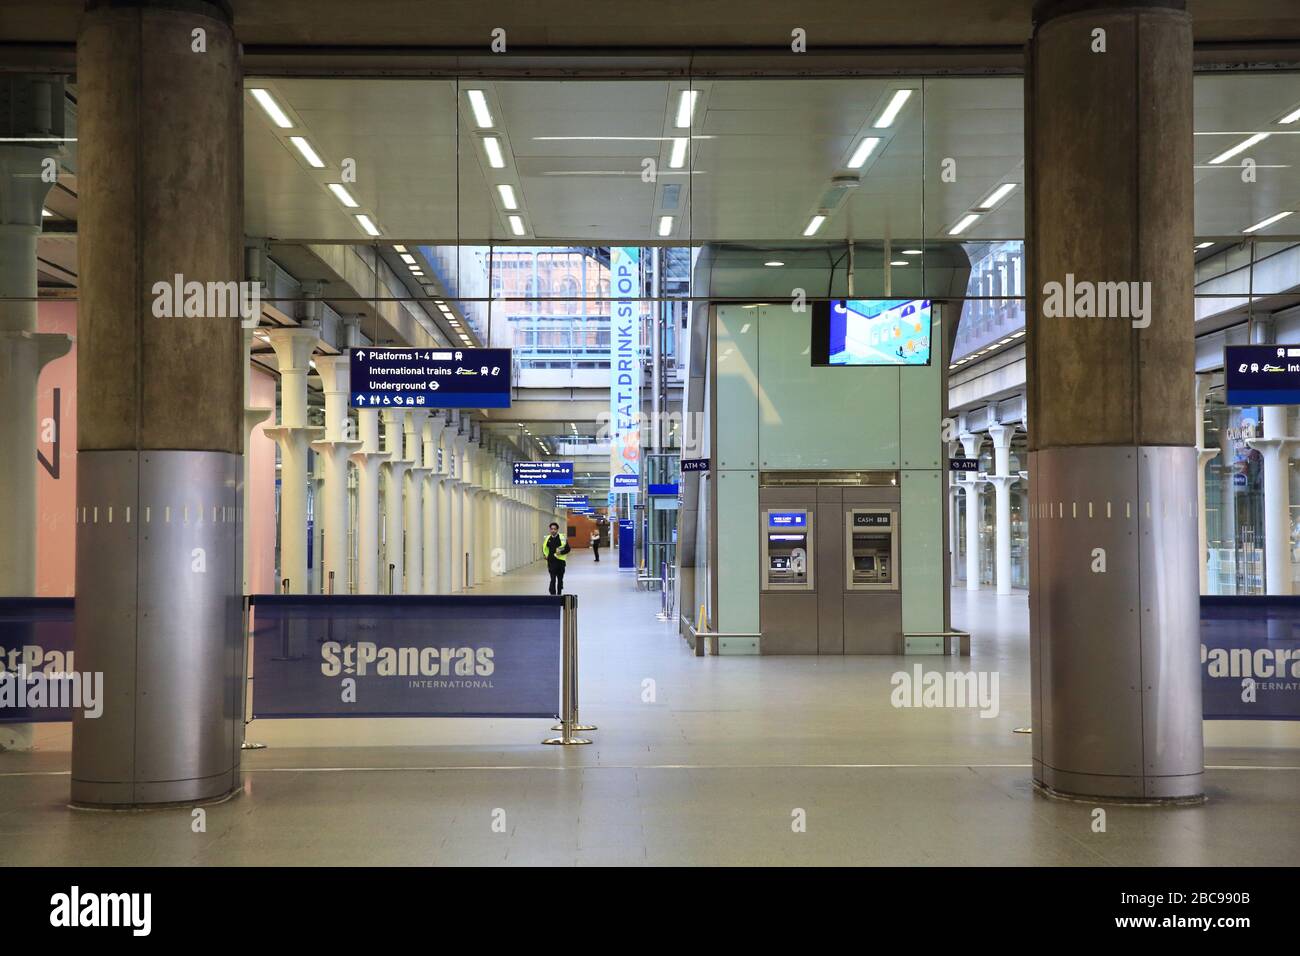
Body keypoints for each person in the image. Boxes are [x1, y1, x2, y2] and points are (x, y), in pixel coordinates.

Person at [543, 522, 570, 595]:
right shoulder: (547, 539)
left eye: (554, 529)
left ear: (557, 530)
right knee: (553, 579)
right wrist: (545, 555)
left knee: (560, 580)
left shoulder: (562, 538)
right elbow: (544, 548)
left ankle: (559, 594)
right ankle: (553, 596)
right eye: (551, 529)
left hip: (560, 563)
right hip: (551, 562)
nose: (553, 530)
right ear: (549, 529)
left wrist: (560, 553)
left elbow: (568, 549)